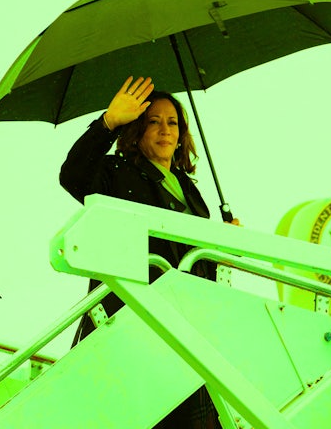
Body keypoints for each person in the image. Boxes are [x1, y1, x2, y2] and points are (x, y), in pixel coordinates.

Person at [60, 76, 233, 429]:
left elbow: (200, 266)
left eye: (173, 122)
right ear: (137, 130)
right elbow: (71, 175)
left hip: (185, 333)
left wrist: (223, 244)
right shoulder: (116, 173)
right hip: (132, 325)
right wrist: (108, 121)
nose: (165, 129)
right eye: (153, 121)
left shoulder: (192, 193)